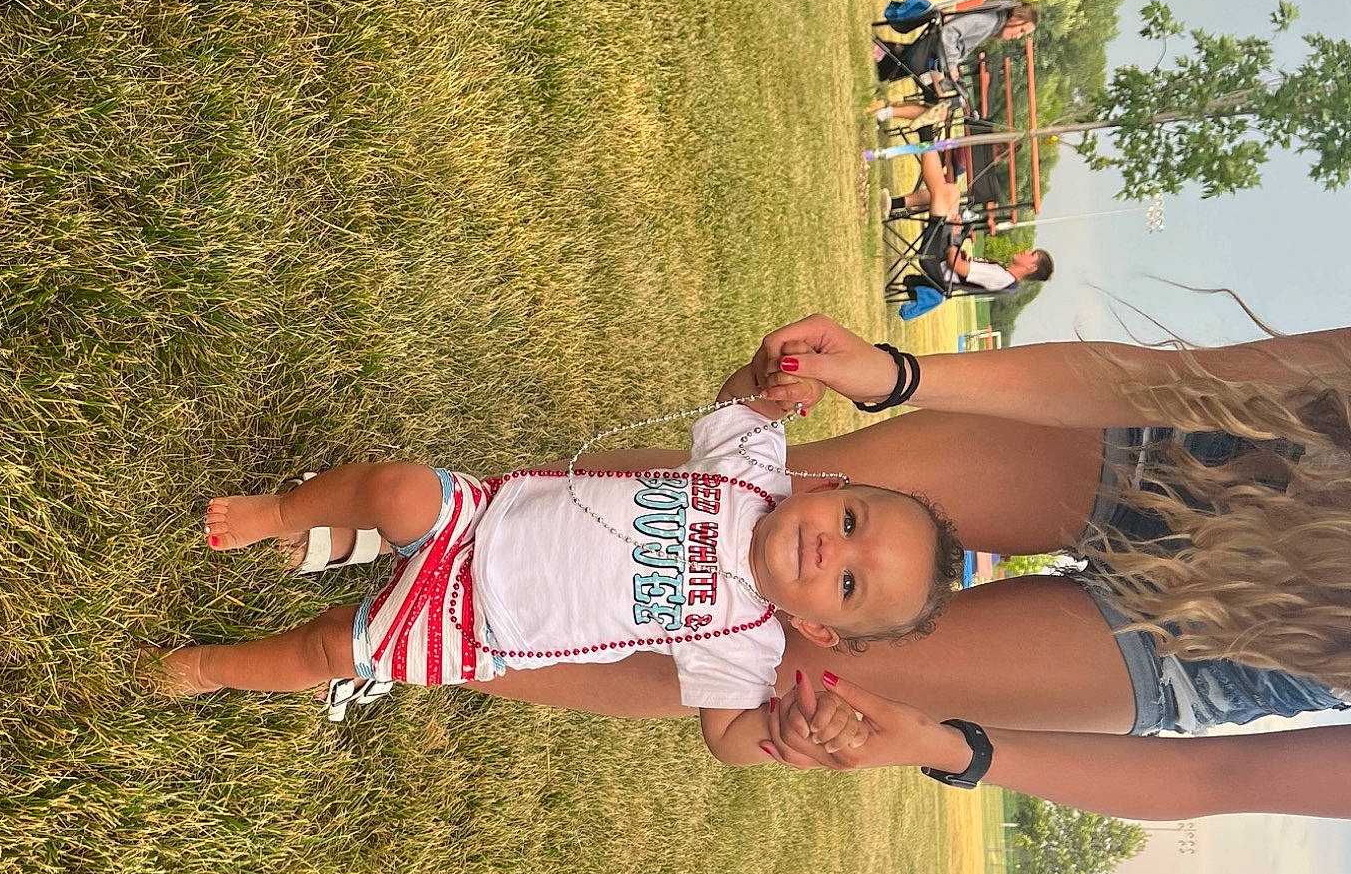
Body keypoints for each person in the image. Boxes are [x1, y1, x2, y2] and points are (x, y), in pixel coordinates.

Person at [403, 314, 1351, 819]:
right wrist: (897, 374)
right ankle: (423, 522)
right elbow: (1158, 380)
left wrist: (945, 746)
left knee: (776, 658)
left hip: (1220, 645)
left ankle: (413, 635)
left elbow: (1219, 780)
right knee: (779, 519)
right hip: (1178, 455)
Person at [156, 359, 964, 767]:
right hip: (483, 517)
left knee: (336, 643)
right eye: (851, 519)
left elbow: (726, 734)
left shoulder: (745, 638)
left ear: (815, 626)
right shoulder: (750, 472)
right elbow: (738, 404)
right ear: (830, 485)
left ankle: (210, 668)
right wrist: (768, 380)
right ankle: (281, 514)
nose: (830, 547)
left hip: (478, 629)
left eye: (848, 581)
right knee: (396, 488)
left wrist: (781, 735)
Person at [890, 148, 1054, 305]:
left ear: (1030, 267)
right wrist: (957, 231)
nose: (1026, 251)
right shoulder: (1005, 275)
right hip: (943, 254)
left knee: (941, 194)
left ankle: (926, 140)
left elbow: (956, 266)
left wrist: (955, 237)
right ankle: (893, 204)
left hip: (937, 261)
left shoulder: (1001, 277)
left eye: (1031, 254)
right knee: (952, 193)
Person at [872, 0, 1039, 126]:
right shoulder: (989, 22)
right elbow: (950, 32)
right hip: (930, 61)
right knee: (941, 112)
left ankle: (886, 53)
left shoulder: (993, 21)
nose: (1018, 37)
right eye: (1022, 30)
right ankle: (882, 112)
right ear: (1016, 18)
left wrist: (954, 65)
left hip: (932, 57)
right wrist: (951, 66)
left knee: (948, 103)